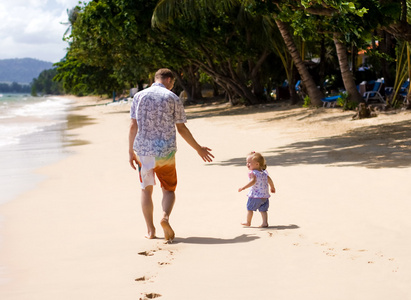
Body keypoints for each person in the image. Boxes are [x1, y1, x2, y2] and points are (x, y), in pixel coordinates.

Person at [129, 68, 214, 242]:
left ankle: (150, 230)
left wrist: (130, 151)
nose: (172, 85)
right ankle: (165, 217)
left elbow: (133, 125)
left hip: (143, 152)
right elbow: (181, 128)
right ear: (168, 79)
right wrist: (198, 148)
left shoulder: (139, 96)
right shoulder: (172, 97)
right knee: (168, 189)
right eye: (173, 82)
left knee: (146, 190)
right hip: (165, 152)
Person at [238, 152, 276, 228]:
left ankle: (248, 222)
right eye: (247, 162)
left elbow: (253, 181)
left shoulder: (253, 173)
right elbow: (269, 180)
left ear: (257, 164)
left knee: (249, 209)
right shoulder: (264, 173)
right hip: (264, 196)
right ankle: (265, 223)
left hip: (255, 196)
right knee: (263, 210)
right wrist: (272, 187)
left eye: (249, 163)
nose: (247, 164)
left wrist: (243, 187)